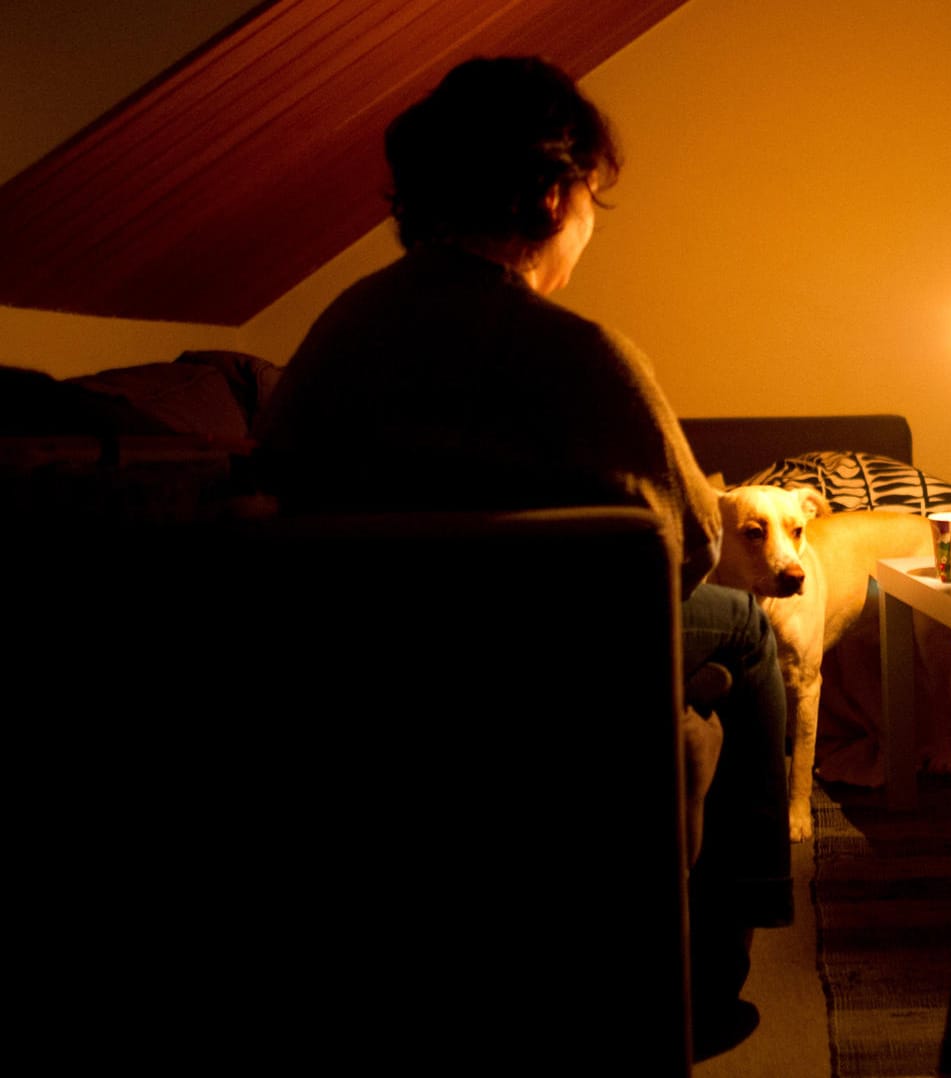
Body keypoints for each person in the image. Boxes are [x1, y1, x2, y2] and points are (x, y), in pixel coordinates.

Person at [251, 56, 789, 1059]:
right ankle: (714, 970)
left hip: (363, 676)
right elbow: (698, 543)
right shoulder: (578, 352)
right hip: (545, 672)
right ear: (555, 192)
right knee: (751, 626)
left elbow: (281, 479)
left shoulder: (341, 331)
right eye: (594, 195)